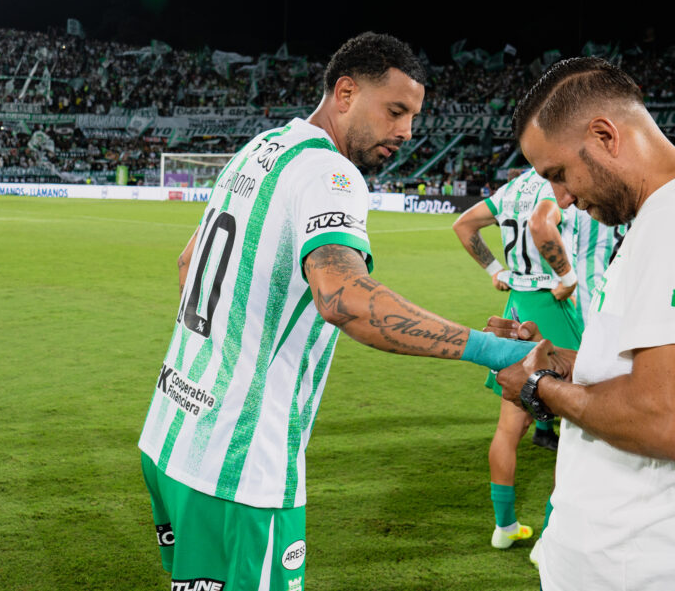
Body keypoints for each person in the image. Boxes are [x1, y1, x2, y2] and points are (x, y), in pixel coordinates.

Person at [137, 32, 544, 591]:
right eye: (396, 111)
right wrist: (496, 350)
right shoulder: (331, 174)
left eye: (413, 117)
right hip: (240, 463)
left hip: (171, 430)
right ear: (346, 92)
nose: (406, 132)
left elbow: (189, 265)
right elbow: (342, 297)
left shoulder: (262, 148)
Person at [496, 56, 675, 590]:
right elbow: (654, 374)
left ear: (605, 135)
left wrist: (539, 387)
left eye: (558, 174)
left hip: (634, 565)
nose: (563, 199)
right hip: (628, 557)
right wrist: (557, 358)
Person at [453, 167, 583, 551]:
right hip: (552, 306)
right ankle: (550, 542)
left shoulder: (512, 187)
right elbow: (543, 224)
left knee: (509, 428)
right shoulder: (554, 182)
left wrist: (496, 270)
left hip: (517, 305)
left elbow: (464, 226)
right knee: (578, 430)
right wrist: (569, 276)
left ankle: (504, 527)